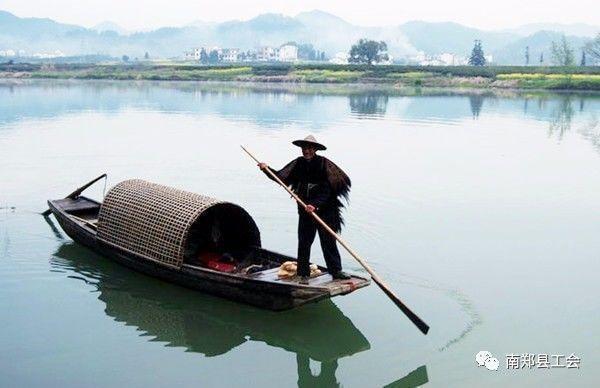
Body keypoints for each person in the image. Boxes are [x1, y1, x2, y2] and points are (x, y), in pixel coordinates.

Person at [258, 135, 352, 282]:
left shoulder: (324, 164)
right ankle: (303, 273)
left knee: (328, 241)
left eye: (309, 148)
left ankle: (336, 271)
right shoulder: (298, 163)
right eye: (304, 148)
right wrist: (266, 169)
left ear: (315, 149)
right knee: (304, 242)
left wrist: (315, 205)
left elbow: (328, 190)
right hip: (304, 209)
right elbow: (280, 178)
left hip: (326, 210)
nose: (306, 151)